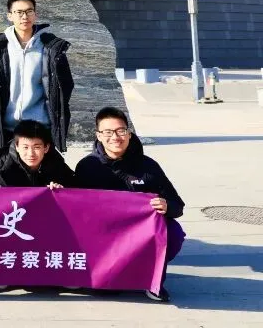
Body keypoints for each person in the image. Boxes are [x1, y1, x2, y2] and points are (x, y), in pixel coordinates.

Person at [75, 107, 185, 302]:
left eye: (120, 131)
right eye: (108, 132)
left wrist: (167, 205)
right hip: (103, 235)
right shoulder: (87, 166)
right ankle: (96, 273)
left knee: (174, 233)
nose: (115, 137)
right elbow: (73, 206)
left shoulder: (148, 166)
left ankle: (150, 277)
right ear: (98, 135)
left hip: (139, 234)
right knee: (106, 291)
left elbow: (177, 205)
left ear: (129, 133)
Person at [0, 0, 75, 180]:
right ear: (9, 16)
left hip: (39, 128)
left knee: (44, 181)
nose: (24, 16)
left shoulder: (50, 48)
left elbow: (64, 85)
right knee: (6, 181)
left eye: (29, 11)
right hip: (7, 129)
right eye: (18, 12)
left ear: (35, 14)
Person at [0, 119, 75, 188]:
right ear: (17, 147)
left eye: (36, 147)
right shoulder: (3, 166)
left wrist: (61, 190)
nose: (30, 154)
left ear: (46, 148)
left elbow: (74, 190)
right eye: (25, 147)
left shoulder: (56, 163)